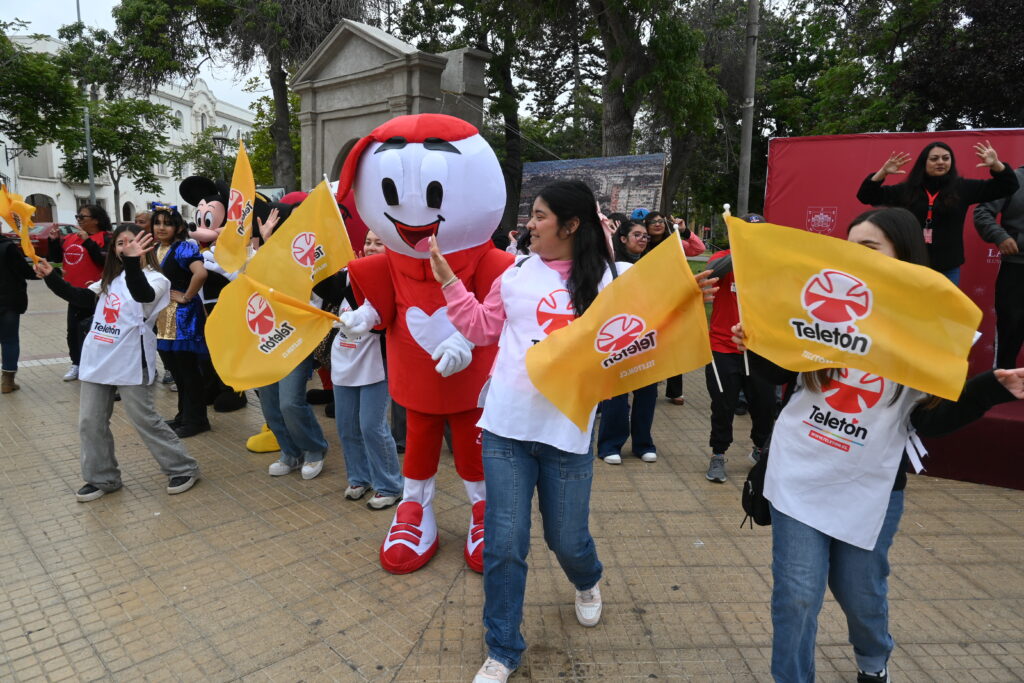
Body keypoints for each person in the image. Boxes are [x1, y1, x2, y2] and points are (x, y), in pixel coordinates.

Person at [432, 181, 716, 683]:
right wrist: (448, 282)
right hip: (506, 427)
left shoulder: (612, 279)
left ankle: (587, 581)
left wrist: (691, 296)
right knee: (504, 544)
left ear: (570, 225)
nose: (530, 225)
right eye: (531, 216)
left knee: (567, 540)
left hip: (567, 431)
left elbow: (658, 317)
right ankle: (502, 647)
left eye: (540, 216)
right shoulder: (514, 274)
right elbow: (480, 329)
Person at [733, 207, 1024, 682]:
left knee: (861, 593)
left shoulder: (930, 325)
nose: (854, 258)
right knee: (797, 595)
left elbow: (932, 421)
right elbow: (780, 375)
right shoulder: (823, 306)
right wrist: (760, 346)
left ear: (904, 256)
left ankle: (873, 662)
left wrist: (991, 387)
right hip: (798, 473)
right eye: (848, 248)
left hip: (871, 484)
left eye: (868, 248)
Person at [35, 225, 200, 501]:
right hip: (98, 357)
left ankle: (183, 467)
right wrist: (52, 278)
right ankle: (103, 478)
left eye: (131, 241)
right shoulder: (111, 277)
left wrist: (134, 262)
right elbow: (83, 298)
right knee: (90, 422)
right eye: (120, 243)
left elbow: (142, 295)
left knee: (144, 419)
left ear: (144, 244)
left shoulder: (158, 279)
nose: (125, 247)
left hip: (131, 359)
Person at [318, 230, 404, 509]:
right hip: (343, 362)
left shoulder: (396, 282)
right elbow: (314, 278)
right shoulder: (347, 277)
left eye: (379, 243)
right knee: (346, 427)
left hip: (374, 365)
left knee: (371, 426)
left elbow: (379, 316)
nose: (371, 247)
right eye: (367, 241)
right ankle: (359, 477)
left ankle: (390, 485)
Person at [856, 140, 1019, 284]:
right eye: (934, 159)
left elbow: (1009, 186)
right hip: (910, 264)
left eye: (946, 158)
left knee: (942, 316)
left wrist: (996, 164)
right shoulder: (907, 190)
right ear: (923, 163)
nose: (940, 162)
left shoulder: (963, 188)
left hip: (947, 269)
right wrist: (882, 172)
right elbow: (866, 195)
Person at [703, 214, 776, 484]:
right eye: (747, 233)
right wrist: (741, 251)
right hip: (722, 347)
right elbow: (712, 273)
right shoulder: (722, 257)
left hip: (759, 351)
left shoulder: (771, 262)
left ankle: (760, 449)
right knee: (723, 405)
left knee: (765, 405)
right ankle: (718, 455)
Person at [597, 220, 658, 464]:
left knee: (647, 392)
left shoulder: (653, 265)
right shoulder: (608, 267)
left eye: (645, 236)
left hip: (648, 337)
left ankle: (643, 443)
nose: (643, 239)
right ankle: (610, 444)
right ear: (622, 238)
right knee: (616, 394)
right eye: (637, 235)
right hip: (618, 338)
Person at [150, 207, 210, 437]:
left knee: (189, 372)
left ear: (178, 227)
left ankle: (197, 420)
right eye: (157, 223)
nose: (161, 227)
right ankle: (183, 416)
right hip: (163, 316)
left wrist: (187, 296)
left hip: (183, 318)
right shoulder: (155, 249)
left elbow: (201, 273)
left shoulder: (184, 247)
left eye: (167, 223)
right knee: (177, 371)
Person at [645, 211, 706, 405]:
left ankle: (675, 391)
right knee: (650, 344)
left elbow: (698, 249)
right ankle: (647, 386)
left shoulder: (675, 242)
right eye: (652, 222)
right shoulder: (642, 244)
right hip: (648, 300)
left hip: (674, 298)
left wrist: (684, 230)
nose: (657, 224)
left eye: (660, 221)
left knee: (673, 342)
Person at [48, 204, 111, 381]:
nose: (79, 220)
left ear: (96, 220)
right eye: (78, 217)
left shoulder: (105, 238)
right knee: (73, 330)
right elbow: (58, 259)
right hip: (74, 292)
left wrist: (87, 241)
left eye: (82, 217)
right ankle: (77, 363)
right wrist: (53, 241)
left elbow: (102, 260)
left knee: (94, 330)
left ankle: (96, 364)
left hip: (96, 293)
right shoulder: (70, 238)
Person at [974, 162, 1024, 369]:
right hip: (1017, 267)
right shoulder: (1013, 179)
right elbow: (982, 212)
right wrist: (999, 236)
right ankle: (1002, 383)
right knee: (1010, 329)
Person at [0, 235, 36, 393]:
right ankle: (7, 381)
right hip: (8, 301)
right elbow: (24, 271)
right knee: (9, 340)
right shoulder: (7, 247)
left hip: (8, 301)